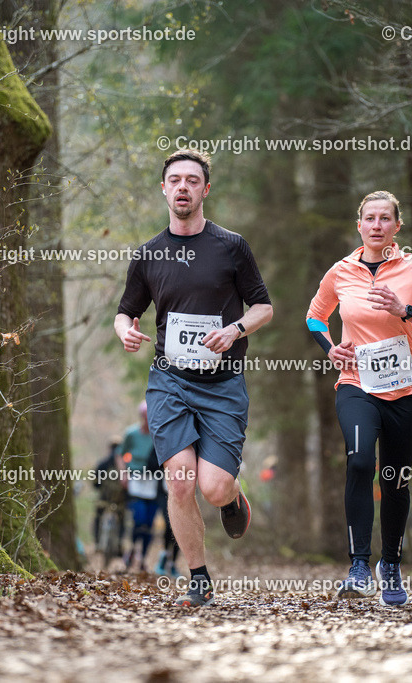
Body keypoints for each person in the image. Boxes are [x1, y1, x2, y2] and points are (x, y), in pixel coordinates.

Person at [115, 149, 273, 607]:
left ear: (205, 189)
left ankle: (232, 496)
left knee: (213, 487)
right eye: (175, 180)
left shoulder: (231, 246)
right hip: (170, 382)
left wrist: (235, 329)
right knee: (181, 482)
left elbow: (264, 307)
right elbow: (125, 312)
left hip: (222, 384)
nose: (182, 187)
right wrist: (126, 332)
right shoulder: (148, 254)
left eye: (192, 180)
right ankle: (198, 579)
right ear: (164, 189)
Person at [305, 190, 412, 606]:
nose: (376, 225)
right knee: (359, 461)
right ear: (359, 225)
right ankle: (358, 565)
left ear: (397, 226)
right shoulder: (340, 271)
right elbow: (314, 316)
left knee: (395, 479)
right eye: (369, 218)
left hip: (407, 389)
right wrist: (330, 348)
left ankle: (390, 565)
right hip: (356, 384)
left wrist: (405, 310)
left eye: (385, 218)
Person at [117, 401, 163, 572]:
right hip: (135, 480)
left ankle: (142, 557)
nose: (147, 420)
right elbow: (120, 454)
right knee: (139, 519)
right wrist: (123, 474)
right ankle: (131, 550)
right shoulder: (131, 433)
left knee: (149, 524)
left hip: (154, 482)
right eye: (144, 417)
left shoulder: (159, 435)